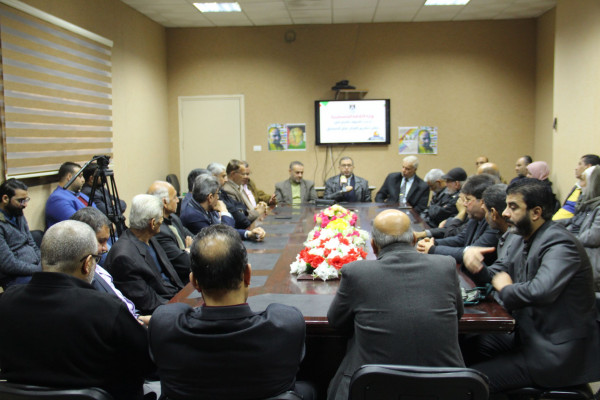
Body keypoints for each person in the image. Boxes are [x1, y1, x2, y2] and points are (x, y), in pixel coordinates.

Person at [461, 178, 600, 393]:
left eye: (513, 207)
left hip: (554, 353)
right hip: (528, 335)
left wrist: (506, 288)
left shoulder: (560, 244)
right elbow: (499, 272)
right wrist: (477, 267)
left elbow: (540, 291)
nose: (505, 213)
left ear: (536, 212)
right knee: (467, 346)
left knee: (467, 384)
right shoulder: (524, 238)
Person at [149, 224, 313, 400]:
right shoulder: (286, 324)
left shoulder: (164, 324)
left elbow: (171, 313)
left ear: (194, 281)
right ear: (248, 274)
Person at [0, 220, 154, 400]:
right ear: (87, 264)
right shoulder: (106, 308)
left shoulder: (6, 301)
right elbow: (148, 363)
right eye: (96, 259)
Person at [327, 209, 465, 400]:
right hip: (447, 388)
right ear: (414, 240)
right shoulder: (446, 265)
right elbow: (458, 314)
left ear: (373, 246)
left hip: (373, 389)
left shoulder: (356, 272)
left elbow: (336, 322)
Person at [104, 194, 184, 315]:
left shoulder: (149, 237)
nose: (162, 221)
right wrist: (184, 308)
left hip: (176, 296)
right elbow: (149, 303)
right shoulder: (123, 258)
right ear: (152, 223)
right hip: (163, 311)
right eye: (161, 218)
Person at [70, 207, 142, 320]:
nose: (105, 248)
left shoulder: (97, 266)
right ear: (82, 238)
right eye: (101, 241)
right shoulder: (85, 277)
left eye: (106, 241)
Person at [417, 174, 499, 264]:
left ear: (482, 202)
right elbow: (460, 239)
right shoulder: (475, 217)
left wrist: (433, 249)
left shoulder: (493, 224)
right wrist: (433, 242)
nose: (464, 204)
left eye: (468, 200)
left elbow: (472, 252)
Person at [180, 174, 265, 241]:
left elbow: (222, 230)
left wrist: (248, 234)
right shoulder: (193, 216)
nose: (218, 198)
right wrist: (224, 211)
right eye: (217, 194)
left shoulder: (205, 208)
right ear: (210, 197)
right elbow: (223, 238)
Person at [558, 166, 600, 290]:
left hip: (592, 262)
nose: (579, 185)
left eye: (583, 180)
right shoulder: (587, 203)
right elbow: (574, 221)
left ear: (594, 184)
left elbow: (593, 237)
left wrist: (567, 238)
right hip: (579, 253)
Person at [148, 180, 193, 284]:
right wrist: (189, 249)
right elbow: (185, 263)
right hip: (182, 281)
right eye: (175, 197)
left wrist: (187, 250)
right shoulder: (158, 230)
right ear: (164, 202)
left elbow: (194, 237)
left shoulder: (173, 218)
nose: (178, 200)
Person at [0, 179, 41, 288]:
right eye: (21, 200)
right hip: (14, 277)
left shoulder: (17, 213)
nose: (25, 204)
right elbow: (8, 264)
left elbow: (31, 243)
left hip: (33, 268)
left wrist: (43, 263)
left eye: (26, 200)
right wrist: (39, 269)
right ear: (5, 199)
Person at [45, 161, 95, 229]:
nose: (83, 180)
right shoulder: (57, 199)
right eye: (80, 176)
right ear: (69, 177)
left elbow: (98, 214)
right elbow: (78, 224)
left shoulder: (80, 195)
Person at [553, 154, 600, 220]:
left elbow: (578, 220)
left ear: (588, 167)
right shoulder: (577, 186)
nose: (576, 168)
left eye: (580, 164)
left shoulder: (589, 194)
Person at [208, 162, 252, 229]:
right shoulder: (216, 195)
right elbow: (236, 214)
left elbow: (240, 205)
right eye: (223, 176)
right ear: (214, 177)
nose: (226, 180)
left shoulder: (221, 191)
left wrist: (240, 211)